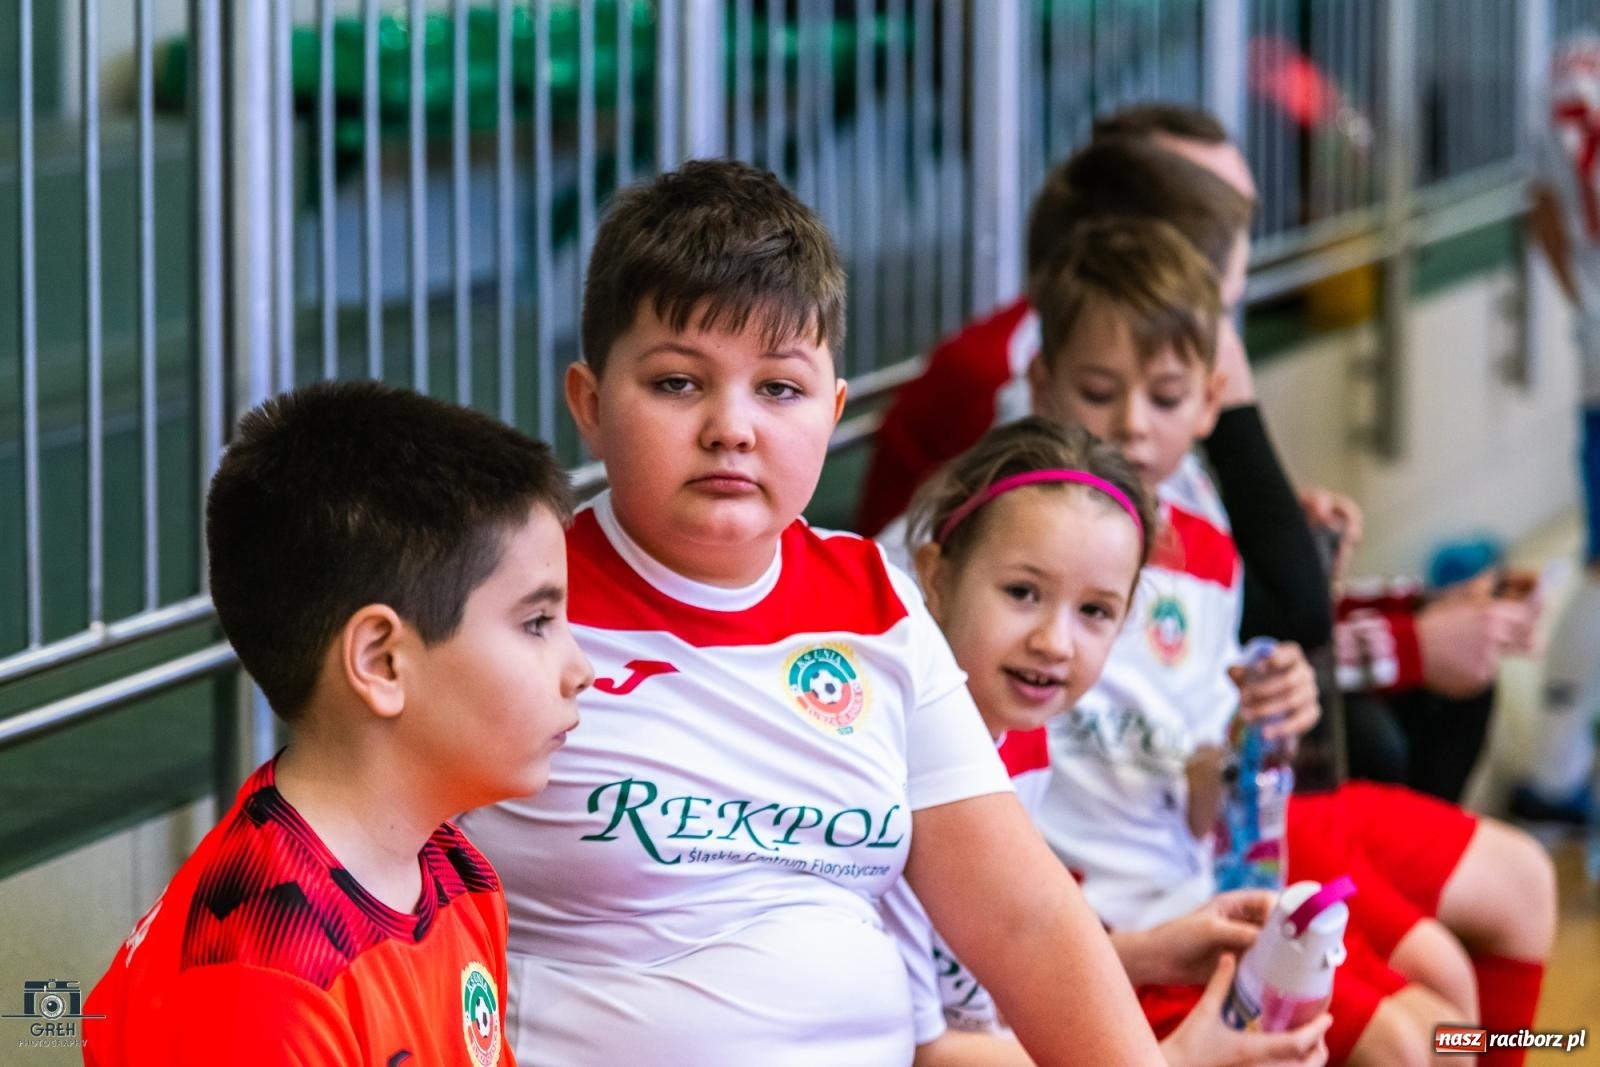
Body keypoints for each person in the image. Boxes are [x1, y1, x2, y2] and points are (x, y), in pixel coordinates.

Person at [459, 160, 1164, 1065]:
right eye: (679, 383)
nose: (732, 427)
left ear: (832, 412)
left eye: (779, 389)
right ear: (591, 407)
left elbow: (1025, 919)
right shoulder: (513, 603)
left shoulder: (879, 602)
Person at [1023, 216, 1555, 1066]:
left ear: (1210, 397)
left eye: (1163, 397)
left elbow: (1205, 779)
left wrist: (1252, 735)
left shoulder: (1205, 536)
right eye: (1098, 389)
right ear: (1043, 381)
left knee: (1500, 921)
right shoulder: (999, 532)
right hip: (1128, 916)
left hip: (1220, 859)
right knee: (1424, 1030)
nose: (1130, 423)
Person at [83, 381, 592, 1065]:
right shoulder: (266, 982)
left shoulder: (453, 871)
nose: (580, 666)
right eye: (536, 622)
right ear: (381, 660)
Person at [880, 416, 1330, 1067]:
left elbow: (988, 975)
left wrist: (1156, 948)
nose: (1054, 642)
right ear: (936, 577)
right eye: (1022, 592)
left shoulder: (1023, 739)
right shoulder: (900, 759)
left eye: (1094, 610)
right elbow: (919, 1050)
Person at [1519, 28, 1600, 824]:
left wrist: (1586, 305)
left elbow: (1542, 206)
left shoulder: (1574, 63)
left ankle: (1555, 767)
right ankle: (1551, 771)